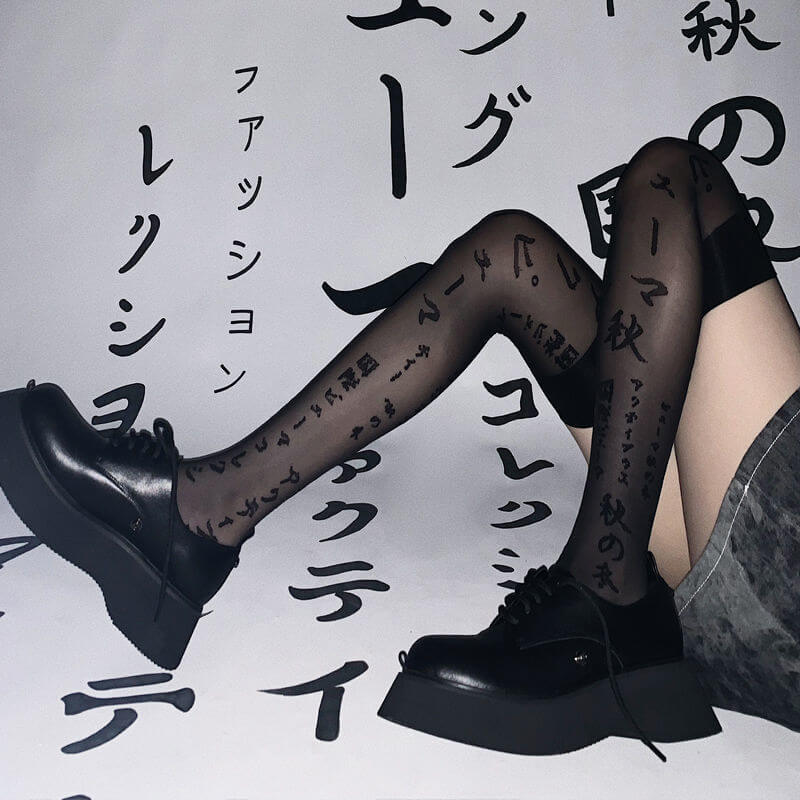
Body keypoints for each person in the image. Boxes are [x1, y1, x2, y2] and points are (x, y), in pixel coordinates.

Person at [1, 136, 798, 760]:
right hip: (736, 540)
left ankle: (606, 592)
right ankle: (202, 518)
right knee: (512, 255)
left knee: (673, 176)